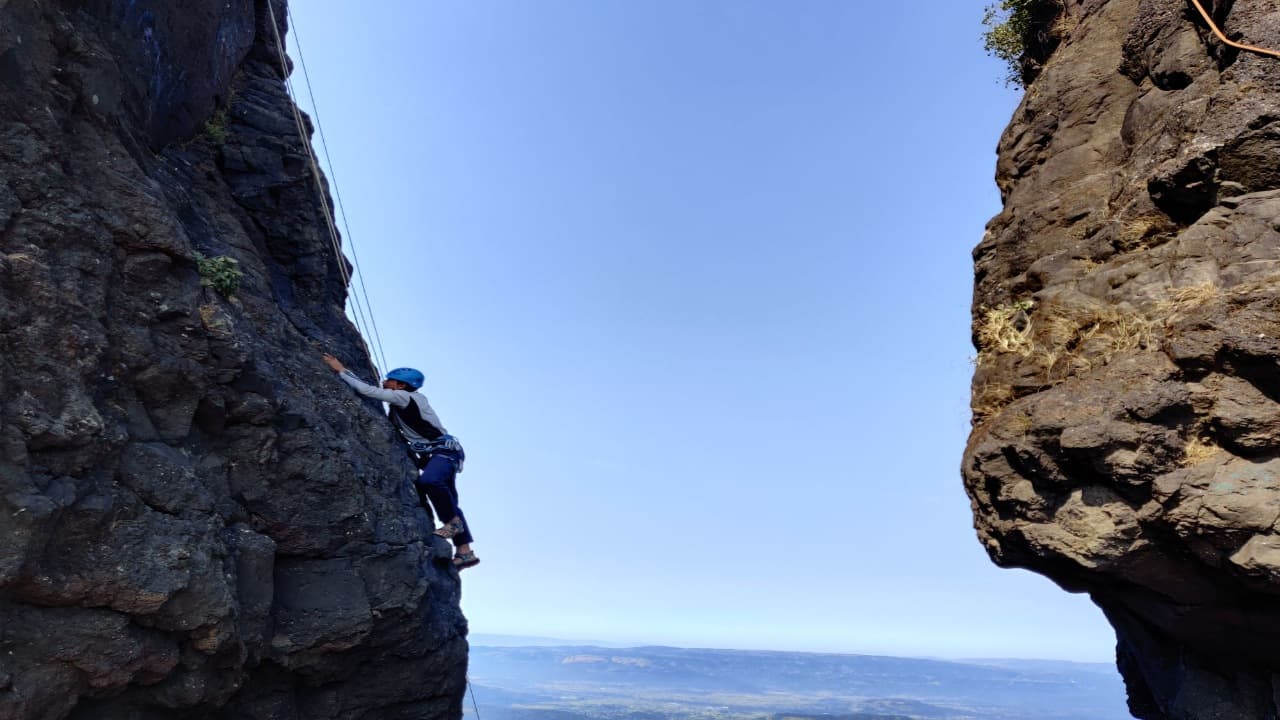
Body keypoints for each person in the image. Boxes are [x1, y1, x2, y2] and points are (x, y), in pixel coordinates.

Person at [322, 353, 479, 570]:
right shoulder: (404, 401)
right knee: (449, 501)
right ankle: (465, 552)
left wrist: (340, 369)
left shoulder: (406, 398)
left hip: (443, 452)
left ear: (401, 385)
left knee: (430, 482)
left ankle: (452, 525)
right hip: (441, 454)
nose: (384, 383)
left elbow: (367, 390)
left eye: (389, 381)